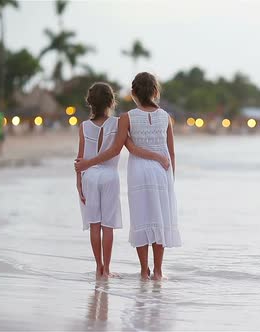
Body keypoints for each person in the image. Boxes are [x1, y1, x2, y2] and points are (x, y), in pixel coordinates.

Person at [76, 72, 181, 281]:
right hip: (162, 172)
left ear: (133, 93)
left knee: (141, 218)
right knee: (159, 220)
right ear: (155, 91)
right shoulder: (166, 117)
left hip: (138, 172)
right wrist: (170, 177)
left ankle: (143, 271)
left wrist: (85, 169)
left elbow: (128, 147)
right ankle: (158, 272)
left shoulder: (127, 117)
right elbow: (171, 152)